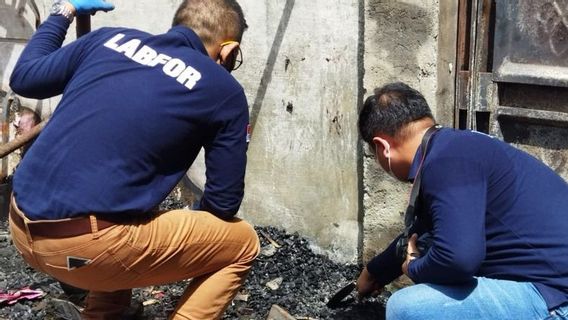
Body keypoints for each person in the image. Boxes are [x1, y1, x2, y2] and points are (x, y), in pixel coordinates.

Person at [8, 0, 260, 318]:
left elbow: (25, 77)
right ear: (229, 50)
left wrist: (65, 10)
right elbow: (223, 204)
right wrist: (185, 239)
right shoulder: (223, 90)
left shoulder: (108, 39)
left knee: (129, 211)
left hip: (19, 223)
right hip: (88, 250)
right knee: (243, 244)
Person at [356, 82, 568, 319]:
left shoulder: (443, 163)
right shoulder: (456, 147)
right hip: (553, 282)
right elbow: (423, 230)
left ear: (382, 147)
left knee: (406, 307)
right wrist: (375, 272)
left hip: (557, 297)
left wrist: (414, 268)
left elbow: (457, 260)